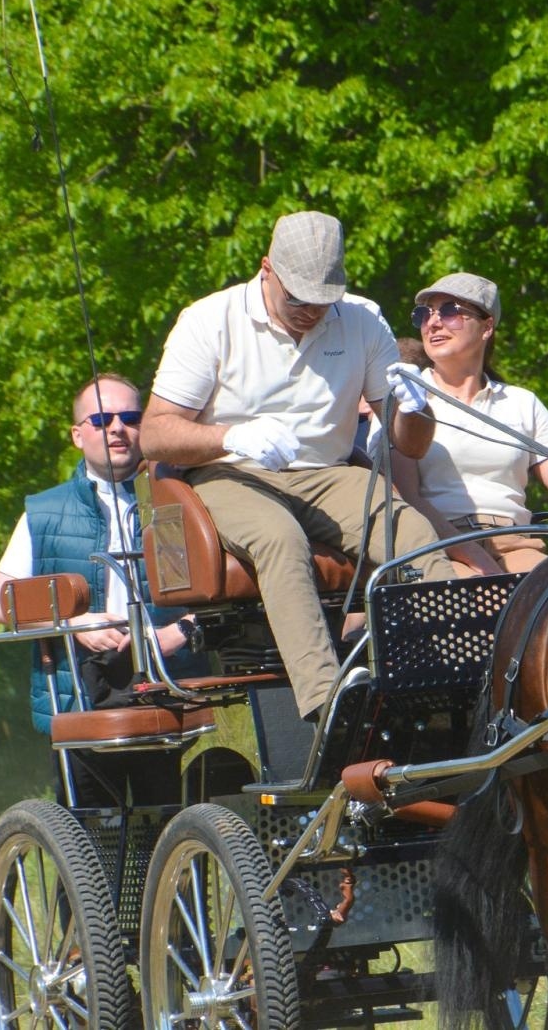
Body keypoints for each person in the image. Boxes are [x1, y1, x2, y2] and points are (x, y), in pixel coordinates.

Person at [142, 210, 457, 722]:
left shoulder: (362, 318)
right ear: (267, 269)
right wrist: (230, 436)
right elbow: (154, 434)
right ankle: (327, 704)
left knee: (411, 529)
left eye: (323, 299)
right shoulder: (209, 319)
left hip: (328, 472)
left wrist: (417, 409)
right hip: (229, 471)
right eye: (298, 299)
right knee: (279, 537)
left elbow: (411, 446)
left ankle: (454, 675)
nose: (312, 310)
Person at [0, 374, 199, 732]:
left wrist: (180, 631)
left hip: (175, 692)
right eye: (102, 420)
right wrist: (71, 624)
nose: (118, 429)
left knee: (176, 790)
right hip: (80, 700)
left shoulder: (185, 500)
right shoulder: (43, 512)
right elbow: (1, 604)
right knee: (87, 790)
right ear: (77, 435)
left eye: (131, 419)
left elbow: (232, 594)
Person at [383, 272, 548, 575]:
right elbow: (406, 497)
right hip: (436, 547)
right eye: (424, 314)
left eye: (449, 311)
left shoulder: (521, 403)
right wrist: (477, 557)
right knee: (469, 609)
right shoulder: (405, 398)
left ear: (487, 326)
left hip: (516, 544)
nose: (433, 322)